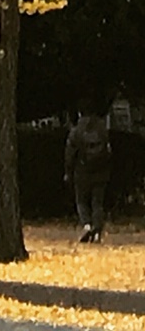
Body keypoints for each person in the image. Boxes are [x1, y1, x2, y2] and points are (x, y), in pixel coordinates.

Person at [65, 101, 112, 243]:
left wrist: (68, 171)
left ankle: (86, 225)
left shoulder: (77, 131)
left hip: (82, 171)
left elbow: (69, 154)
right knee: (97, 202)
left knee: (81, 201)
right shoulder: (102, 128)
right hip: (101, 171)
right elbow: (109, 151)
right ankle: (97, 232)